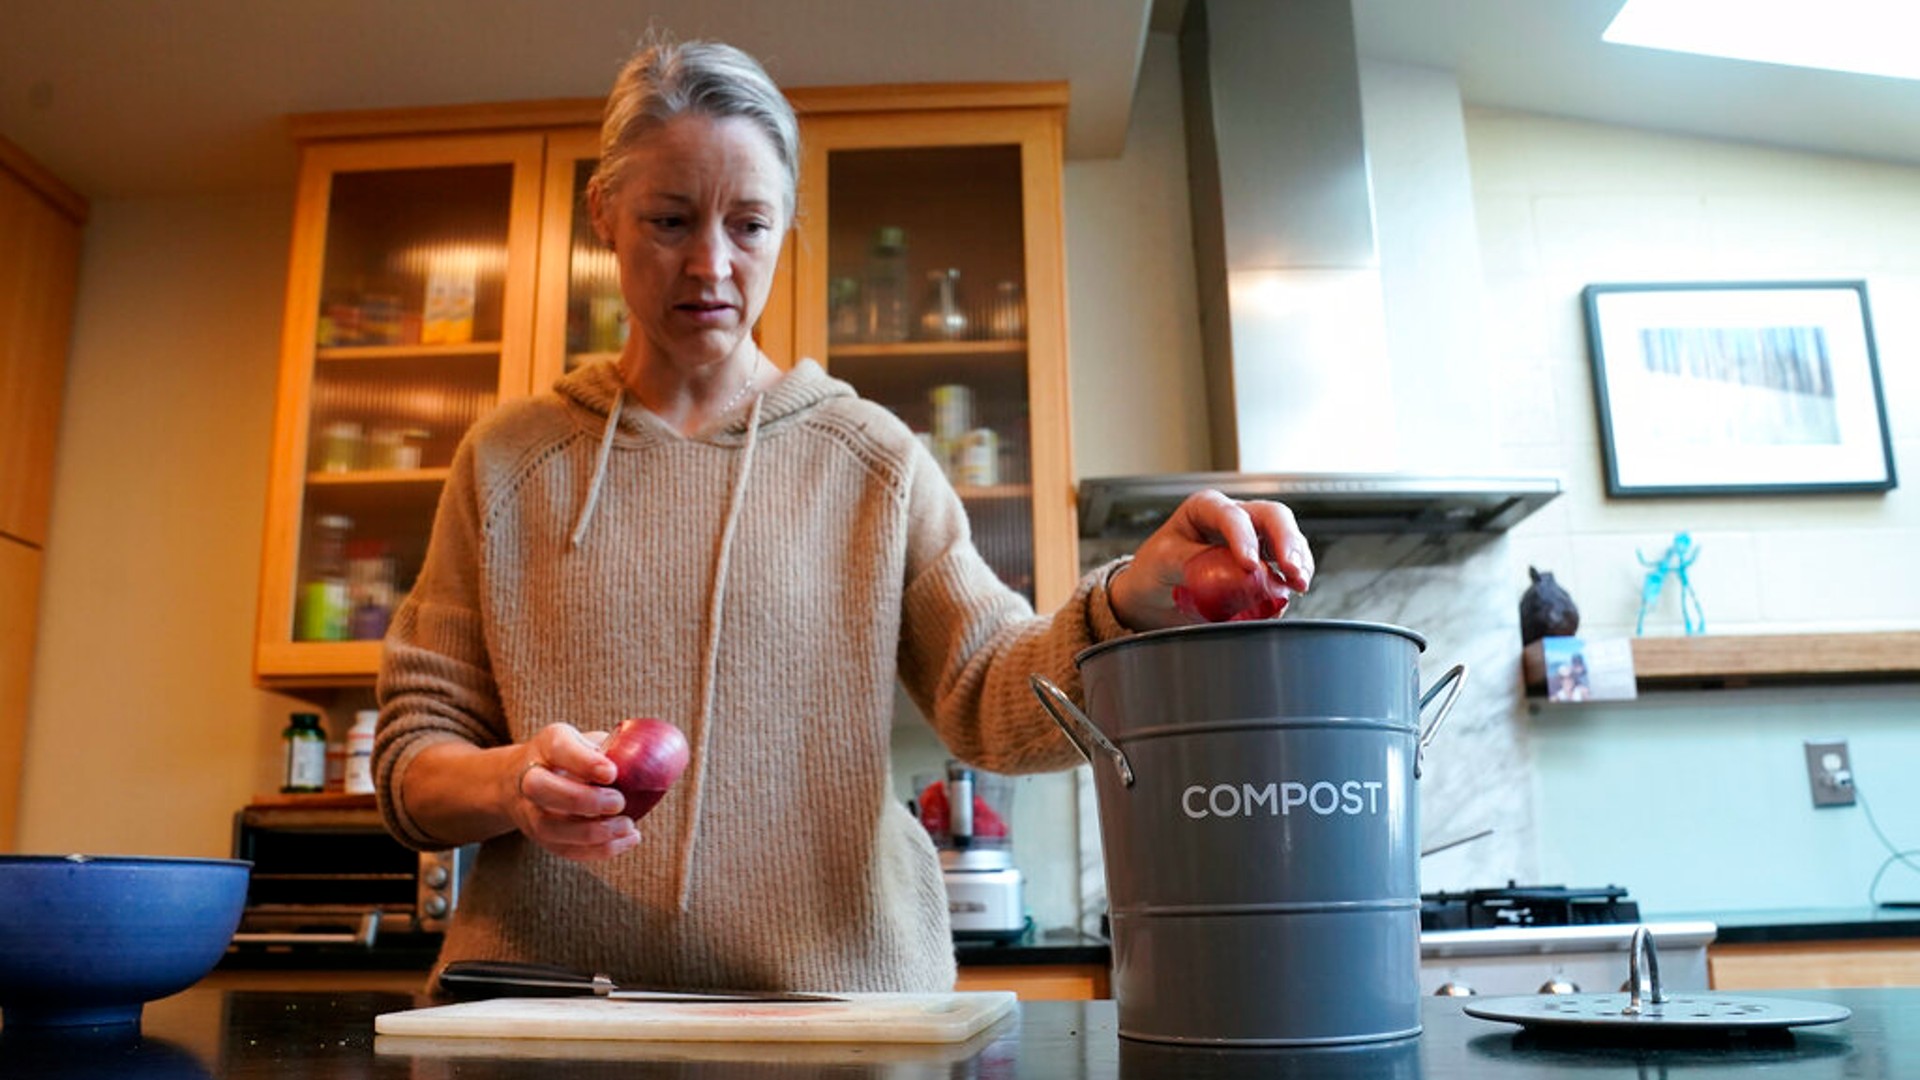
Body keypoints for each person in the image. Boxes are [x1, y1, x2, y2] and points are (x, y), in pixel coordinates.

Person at [372, 34, 1313, 996]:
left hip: (834, 1012)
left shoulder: (873, 459)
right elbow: (413, 763)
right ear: (603, 213)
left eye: (749, 226)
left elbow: (995, 699)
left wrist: (1125, 603)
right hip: (548, 1013)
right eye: (668, 220)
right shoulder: (505, 462)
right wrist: (514, 784)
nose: (711, 265)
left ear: (788, 227)